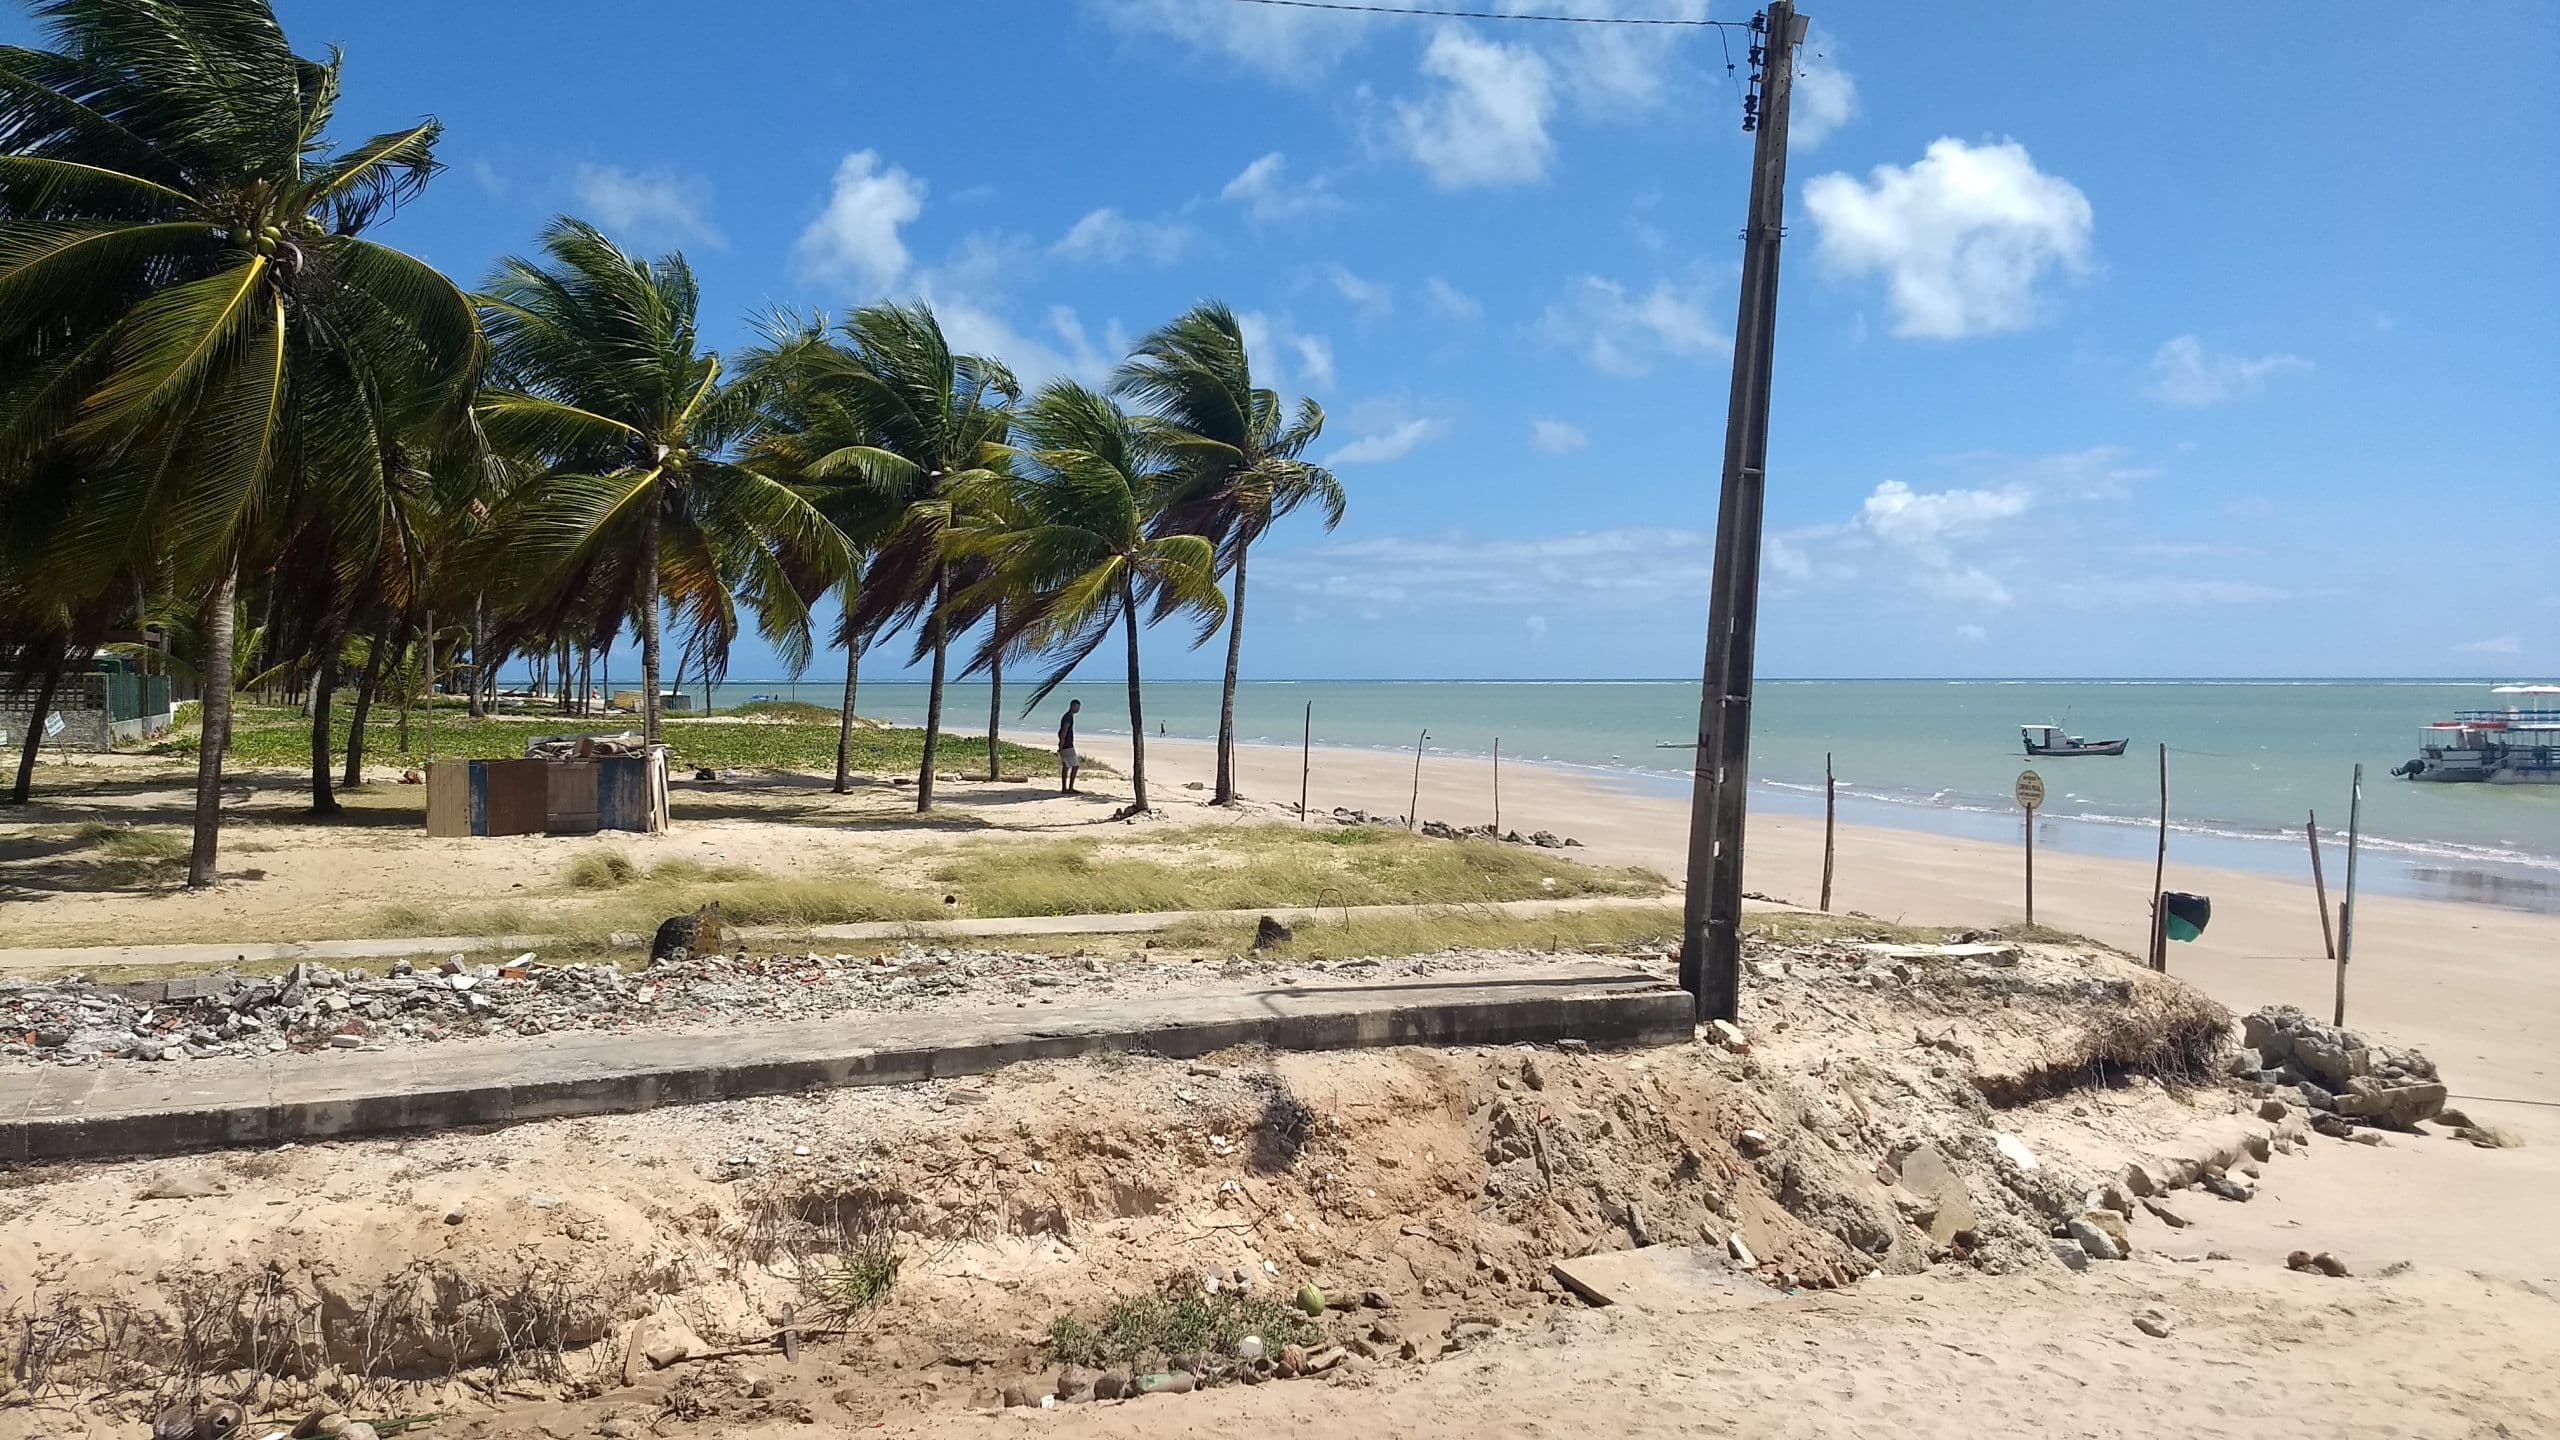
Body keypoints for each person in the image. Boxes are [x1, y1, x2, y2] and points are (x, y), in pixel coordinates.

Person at [1057, 699, 1082, 794]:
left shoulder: (1068, 716)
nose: (1078, 709)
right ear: (1072, 706)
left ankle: (1065, 788)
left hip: (1066, 744)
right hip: (1067, 744)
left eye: (1079, 708)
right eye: (1077, 707)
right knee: (1075, 766)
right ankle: (1069, 788)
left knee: (1066, 766)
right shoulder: (1068, 717)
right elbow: (1064, 731)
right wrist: (1061, 744)